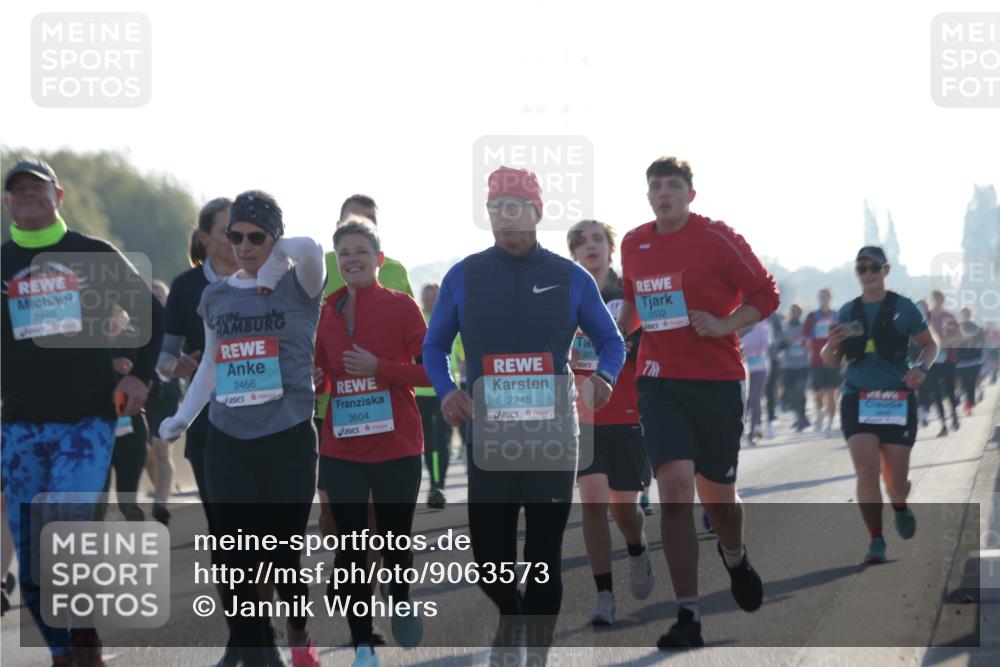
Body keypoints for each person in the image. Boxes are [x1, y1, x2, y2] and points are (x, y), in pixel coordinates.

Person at [423, 166, 625, 662]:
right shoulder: (463, 275)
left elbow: (611, 341)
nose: (505, 217)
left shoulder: (569, 276)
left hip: (552, 437)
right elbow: (434, 345)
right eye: (495, 208)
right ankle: (512, 618)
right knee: (489, 559)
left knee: (542, 558)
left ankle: (535, 653)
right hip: (487, 438)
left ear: (537, 212)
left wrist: (603, 379)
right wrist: (447, 390)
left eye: (515, 207)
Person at [1, 158, 164, 666]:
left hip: (85, 421)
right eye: (18, 190)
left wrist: (140, 373)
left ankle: (83, 637)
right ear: (6, 202)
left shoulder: (92, 254)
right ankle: (65, 649)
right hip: (19, 427)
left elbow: (149, 314)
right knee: (29, 558)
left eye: (37, 187)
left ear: (59, 195)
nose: (28, 195)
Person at [617, 156, 779, 649]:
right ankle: (688, 615)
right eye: (655, 187)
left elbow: (766, 294)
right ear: (648, 196)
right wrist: (605, 334)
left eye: (672, 185)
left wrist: (725, 324)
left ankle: (734, 556)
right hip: (659, 380)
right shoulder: (633, 242)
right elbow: (632, 307)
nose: (663, 194)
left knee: (720, 501)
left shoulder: (717, 237)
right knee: (674, 488)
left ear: (691, 193)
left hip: (716, 381)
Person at [160, 190, 325, 667]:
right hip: (229, 439)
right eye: (236, 236)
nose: (245, 245)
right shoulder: (215, 295)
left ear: (274, 238)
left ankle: (299, 632)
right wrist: (182, 417)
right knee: (237, 553)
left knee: (283, 554)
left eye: (257, 237)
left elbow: (311, 249)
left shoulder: (300, 286)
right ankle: (259, 650)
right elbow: (211, 363)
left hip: (288, 436)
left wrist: (276, 253)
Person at [314, 218, 429, 667]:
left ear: (379, 259)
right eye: (344, 254)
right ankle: (363, 643)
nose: (352, 260)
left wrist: (380, 367)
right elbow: (320, 371)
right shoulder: (324, 311)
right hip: (342, 446)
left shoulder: (402, 307)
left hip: (397, 444)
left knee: (395, 538)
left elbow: (428, 372)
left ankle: (400, 595)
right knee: (352, 543)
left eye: (361, 251)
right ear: (335, 261)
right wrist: (318, 378)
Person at [821, 246, 936, 564]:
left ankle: (899, 504)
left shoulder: (904, 307)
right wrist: (832, 343)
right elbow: (830, 360)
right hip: (857, 397)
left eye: (874, 267)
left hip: (897, 398)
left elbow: (930, 345)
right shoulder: (847, 311)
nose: (868, 274)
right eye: (862, 268)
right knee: (866, 470)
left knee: (896, 481)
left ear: (886, 271)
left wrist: (920, 369)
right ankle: (876, 539)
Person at [566, 219, 654, 627]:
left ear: (610, 248)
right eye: (581, 243)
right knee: (594, 503)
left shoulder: (627, 298)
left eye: (597, 239)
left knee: (624, 509)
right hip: (583, 418)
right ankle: (604, 596)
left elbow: (642, 346)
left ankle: (636, 548)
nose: (590, 247)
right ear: (573, 254)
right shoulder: (564, 300)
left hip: (627, 413)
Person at [144, 279, 181, 524]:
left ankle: (161, 502)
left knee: (161, 448)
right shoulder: (136, 325)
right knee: (147, 454)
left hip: (167, 392)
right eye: (152, 295)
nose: (156, 298)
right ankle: (159, 490)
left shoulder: (174, 324)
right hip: (144, 395)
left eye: (160, 295)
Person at [415, 283, 453, 509]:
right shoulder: (418, 320)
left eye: (435, 298)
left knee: (443, 442)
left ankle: (440, 484)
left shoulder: (450, 318)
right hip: (421, 393)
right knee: (428, 442)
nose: (431, 303)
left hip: (445, 391)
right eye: (428, 299)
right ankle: (433, 485)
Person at [804, 288, 841, 437]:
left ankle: (830, 424)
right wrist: (808, 345)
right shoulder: (812, 316)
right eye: (821, 296)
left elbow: (842, 334)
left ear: (830, 298)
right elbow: (805, 335)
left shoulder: (837, 315)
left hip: (833, 359)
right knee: (819, 393)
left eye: (826, 296)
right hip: (817, 359)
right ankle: (820, 413)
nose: (824, 299)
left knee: (832, 392)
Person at [926, 290, 962, 436]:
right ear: (932, 300)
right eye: (935, 299)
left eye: (940, 299)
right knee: (935, 392)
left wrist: (946, 342)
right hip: (931, 359)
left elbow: (959, 337)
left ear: (943, 300)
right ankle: (943, 424)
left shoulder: (950, 317)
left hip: (948, 358)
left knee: (949, 390)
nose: (938, 301)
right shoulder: (925, 317)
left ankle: (953, 415)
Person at [778, 304, 811, 432]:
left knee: (800, 389)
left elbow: (810, 343)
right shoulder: (785, 329)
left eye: (797, 311)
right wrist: (787, 343)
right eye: (793, 311)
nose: (795, 313)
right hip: (788, 366)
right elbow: (779, 347)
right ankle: (799, 417)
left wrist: (806, 344)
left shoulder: (805, 328)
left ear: (800, 313)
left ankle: (801, 417)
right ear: (790, 313)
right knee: (790, 392)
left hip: (803, 364)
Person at [740, 320, 772, 447]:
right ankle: (747, 428)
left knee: (754, 398)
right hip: (746, 367)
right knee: (749, 401)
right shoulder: (740, 323)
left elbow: (766, 344)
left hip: (760, 368)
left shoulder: (763, 325)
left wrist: (747, 347)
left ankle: (751, 433)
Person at [955, 307, 985, 415]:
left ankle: (969, 406)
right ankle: (959, 397)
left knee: (970, 384)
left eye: (968, 314)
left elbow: (980, 344)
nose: (966, 317)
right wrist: (960, 340)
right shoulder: (956, 327)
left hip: (974, 361)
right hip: (960, 361)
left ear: (971, 315)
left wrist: (975, 343)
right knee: (960, 383)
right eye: (964, 314)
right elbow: (952, 342)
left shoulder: (977, 328)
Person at [764, 311, 784, 439]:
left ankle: (770, 419)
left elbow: (780, 335)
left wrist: (769, 342)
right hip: (752, 358)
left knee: (770, 389)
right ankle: (755, 422)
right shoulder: (744, 310)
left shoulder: (774, 316)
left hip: (771, 358)